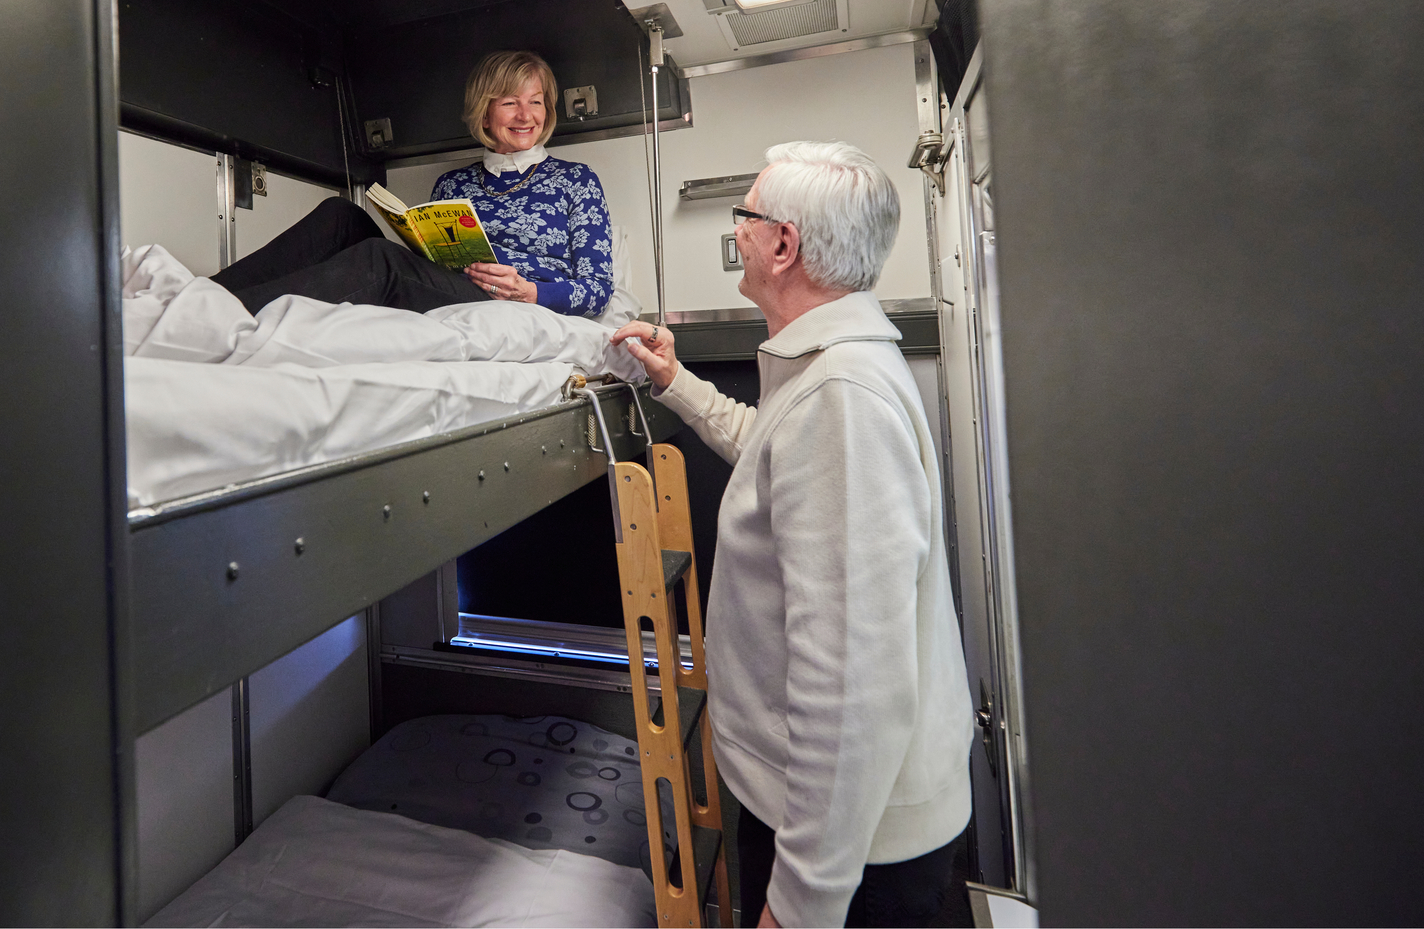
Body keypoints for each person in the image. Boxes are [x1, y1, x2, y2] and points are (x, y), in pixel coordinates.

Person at [612, 142, 973, 928]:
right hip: (842, 827)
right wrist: (675, 382)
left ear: (784, 245)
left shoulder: (841, 397)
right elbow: (768, 452)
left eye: (745, 217)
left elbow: (852, 684)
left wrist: (803, 904)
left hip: (853, 854)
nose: (735, 233)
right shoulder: (828, 368)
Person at [209, 50, 613, 317]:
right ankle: (203, 296)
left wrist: (530, 292)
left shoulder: (575, 181)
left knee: (381, 258)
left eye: (536, 101)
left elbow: (598, 287)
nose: (526, 114)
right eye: (510, 102)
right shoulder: (454, 183)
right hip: (450, 283)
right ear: (484, 114)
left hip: (505, 302)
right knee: (341, 214)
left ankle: (226, 315)